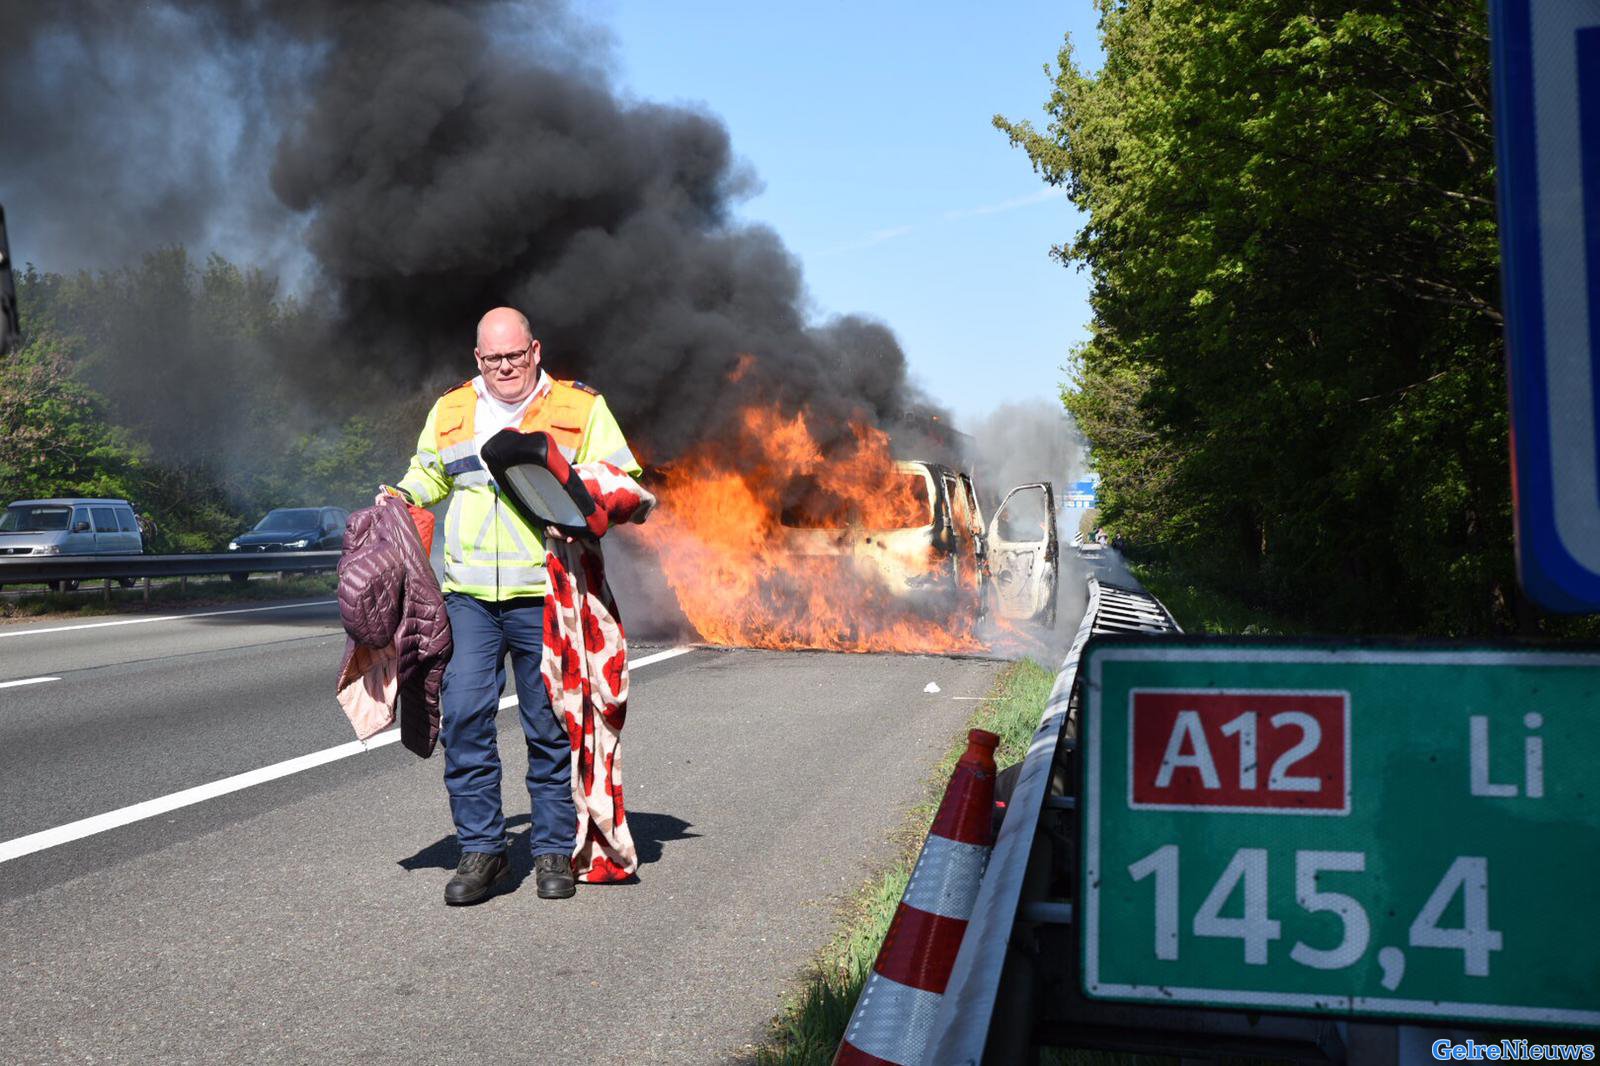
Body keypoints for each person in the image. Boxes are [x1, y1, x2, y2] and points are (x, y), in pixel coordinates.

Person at [388, 307, 641, 905]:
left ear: (534, 351)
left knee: (548, 723)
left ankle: (552, 848)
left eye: (514, 355)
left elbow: (623, 477)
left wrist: (584, 502)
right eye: (492, 358)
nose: (504, 367)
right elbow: (429, 474)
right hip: (469, 596)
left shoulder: (580, 408)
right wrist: (400, 494)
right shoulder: (451, 410)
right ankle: (483, 849)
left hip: (546, 592)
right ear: (478, 359)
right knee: (464, 716)